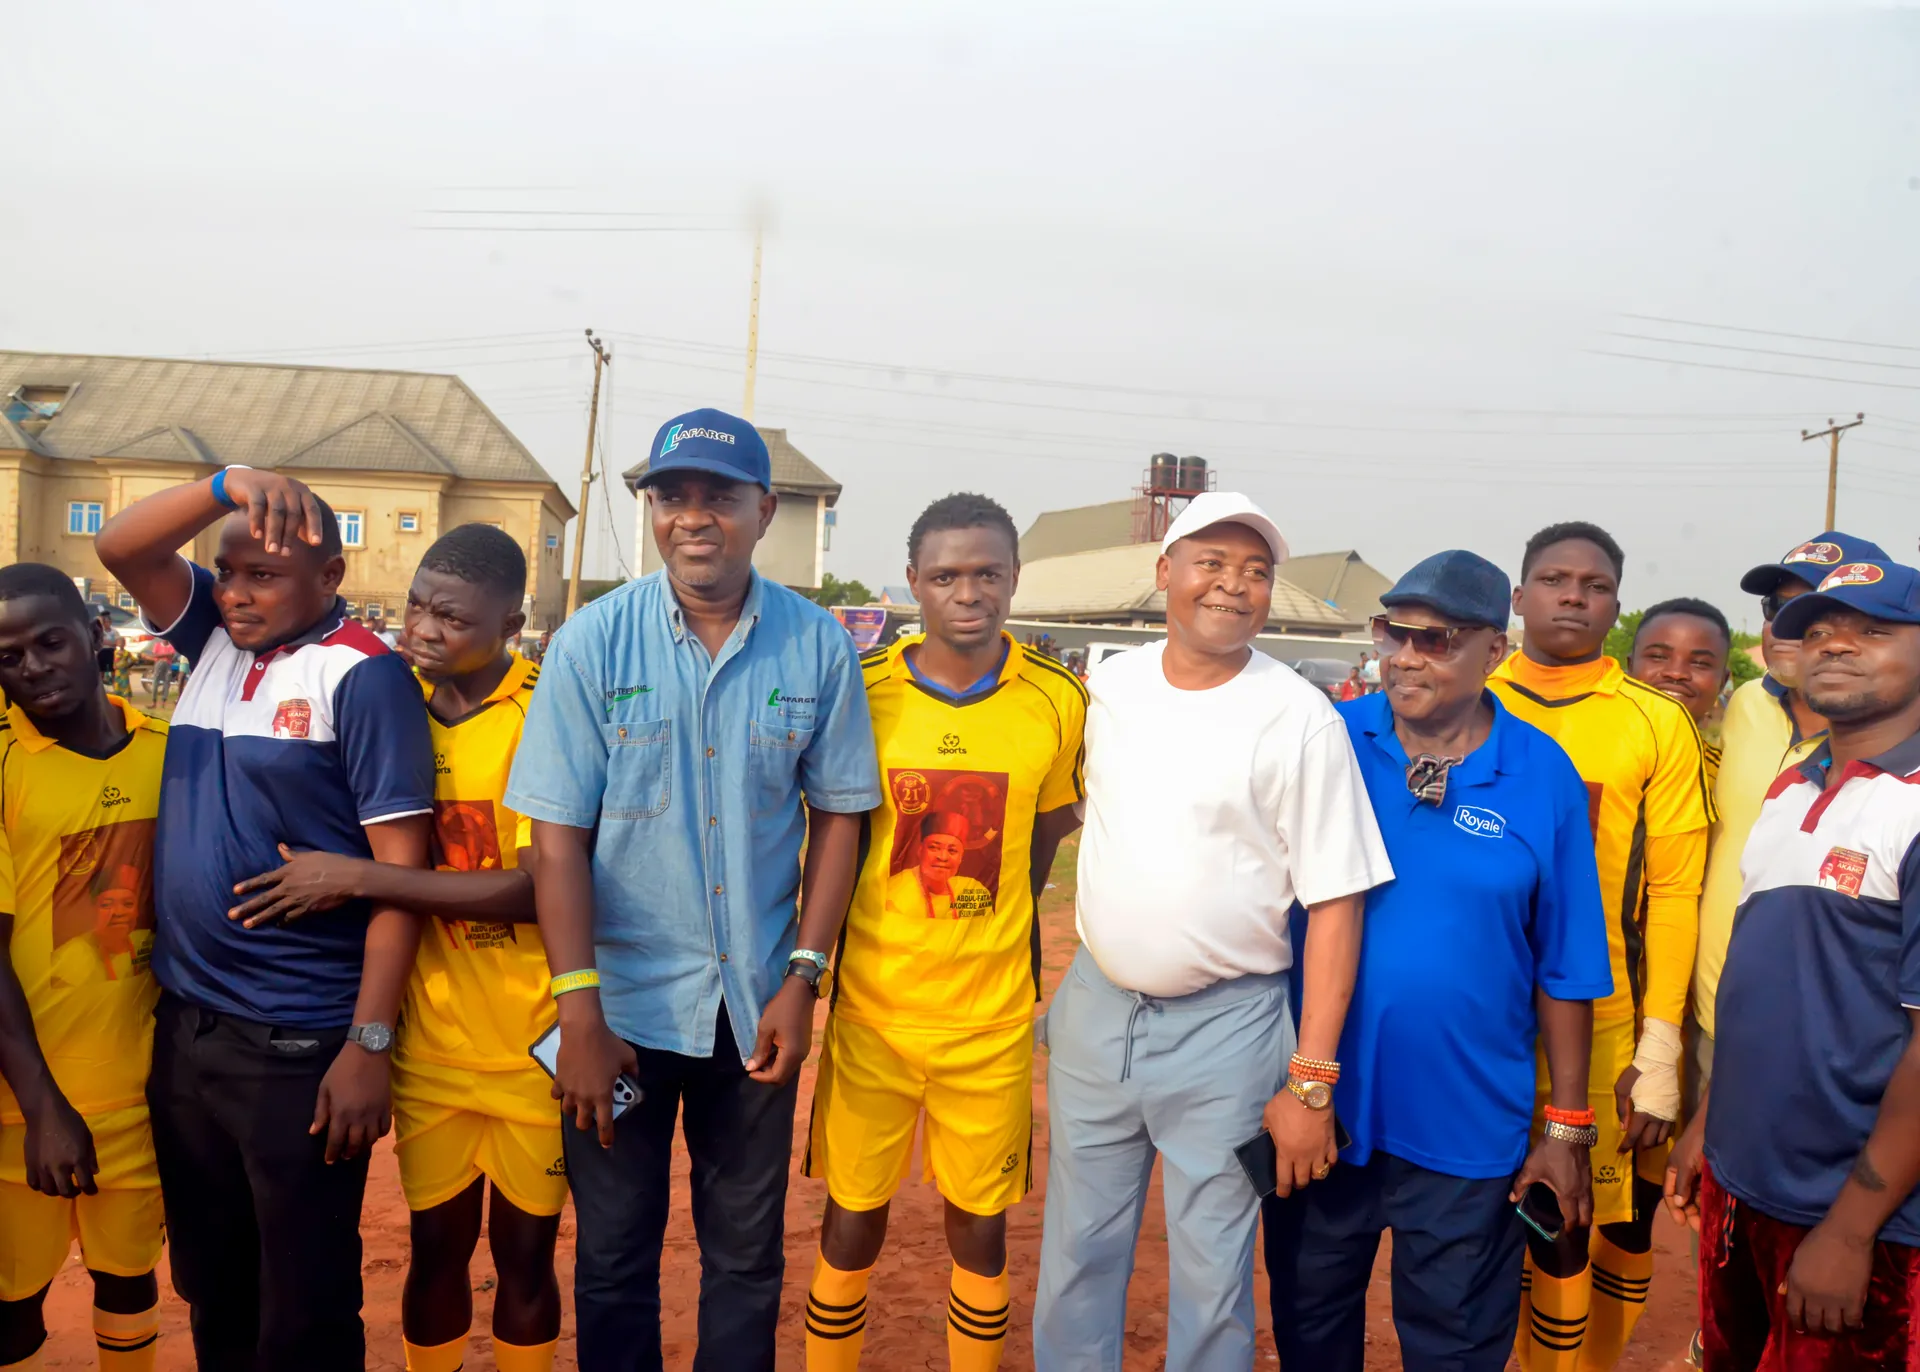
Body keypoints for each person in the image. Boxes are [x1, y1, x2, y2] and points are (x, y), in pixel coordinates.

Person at [504, 409, 881, 1372]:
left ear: (764, 510)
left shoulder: (818, 647)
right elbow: (558, 841)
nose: (695, 516)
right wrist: (578, 1008)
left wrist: (804, 977)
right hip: (616, 1016)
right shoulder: (594, 644)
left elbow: (841, 814)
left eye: (720, 496)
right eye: (674, 496)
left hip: (755, 1011)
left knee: (746, 1256)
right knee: (617, 1254)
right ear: (654, 511)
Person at [1034, 491, 1393, 1371]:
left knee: (1212, 1274)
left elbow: (1338, 901)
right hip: (1098, 1010)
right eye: (1212, 563)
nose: (1233, 586)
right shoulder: (1109, 687)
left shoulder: (1298, 717)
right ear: (1166, 574)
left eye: (1256, 572)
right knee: (1077, 1252)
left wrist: (1310, 1080)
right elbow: (1077, 812)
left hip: (1228, 1028)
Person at [95, 466, 434, 1371]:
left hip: (297, 1042)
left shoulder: (365, 676)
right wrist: (225, 482)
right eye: (228, 570)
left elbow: (404, 878)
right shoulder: (213, 635)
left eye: (267, 575)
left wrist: (368, 1042)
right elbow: (121, 545)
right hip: (189, 1028)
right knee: (215, 1284)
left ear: (330, 581)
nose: (239, 593)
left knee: (306, 1301)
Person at [223, 524, 563, 1372]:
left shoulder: (545, 715)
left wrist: (364, 878)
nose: (423, 630)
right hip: (429, 1043)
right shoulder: (385, 700)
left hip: (535, 1042)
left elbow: (538, 892)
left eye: (452, 618)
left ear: (510, 626)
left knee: (525, 1256)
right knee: (435, 1249)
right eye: (416, 606)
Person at [1264, 550, 1612, 1372]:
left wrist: (1564, 1129)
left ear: (1496, 650)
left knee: (1455, 1350)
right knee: (1311, 1336)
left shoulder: (1541, 775)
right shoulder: (1331, 741)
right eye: (1396, 634)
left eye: (1437, 640)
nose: (1406, 656)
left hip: (1467, 1133)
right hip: (1323, 1118)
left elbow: (1564, 965)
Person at [802, 493, 1085, 1372]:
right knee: (852, 1217)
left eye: (988, 573)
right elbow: (835, 837)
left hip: (990, 1022)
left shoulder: (1057, 699)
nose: (970, 592)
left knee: (982, 1226)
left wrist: (987, 925)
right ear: (916, 583)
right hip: (873, 1017)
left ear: (1012, 579)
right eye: (947, 575)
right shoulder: (863, 689)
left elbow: (1042, 839)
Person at [1666, 556, 1920, 1369]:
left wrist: (1850, 1230)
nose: (1835, 645)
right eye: (1816, 631)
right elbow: (1764, 978)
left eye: (1873, 631)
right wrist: (1711, 1124)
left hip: (1861, 1221)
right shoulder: (1791, 787)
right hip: (1747, 1187)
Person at [1489, 522, 1714, 1372]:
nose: (1573, 595)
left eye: (1594, 584)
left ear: (1616, 606)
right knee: (1504, 1225)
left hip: (1611, 1022)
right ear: (1519, 598)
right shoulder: (1470, 696)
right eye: (1553, 579)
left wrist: (1662, 1043)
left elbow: (1675, 890)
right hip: (1487, 1023)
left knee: (1603, 1228)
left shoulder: (1655, 720)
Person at [0, 564, 169, 1372]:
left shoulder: (172, 753)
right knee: (11, 1299)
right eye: (8, 656)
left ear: (96, 637)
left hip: (138, 1097)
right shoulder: (4, 764)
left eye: (50, 641)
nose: (32, 666)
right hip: (20, 1108)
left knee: (130, 1283)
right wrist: (43, 1109)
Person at [1628, 598, 1733, 738]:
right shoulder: (1591, 743)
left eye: (1700, 663)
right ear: (1630, 667)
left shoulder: (1726, 760)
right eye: (1658, 656)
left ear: (1722, 681)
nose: (1676, 673)